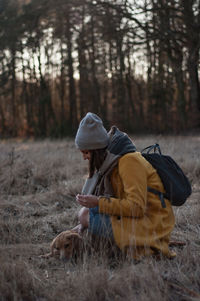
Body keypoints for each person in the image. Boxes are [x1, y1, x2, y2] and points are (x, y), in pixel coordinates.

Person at [73, 112, 175, 260]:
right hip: (140, 219)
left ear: (96, 149)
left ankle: (143, 247)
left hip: (152, 223)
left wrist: (98, 202)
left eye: (86, 152)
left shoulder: (129, 161)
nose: (84, 157)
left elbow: (137, 207)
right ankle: (111, 245)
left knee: (86, 214)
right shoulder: (112, 162)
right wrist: (85, 222)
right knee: (86, 213)